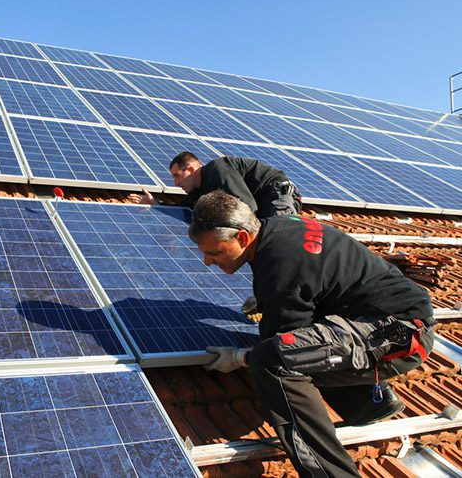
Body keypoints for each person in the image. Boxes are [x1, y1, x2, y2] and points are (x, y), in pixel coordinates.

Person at [188, 190, 435, 477]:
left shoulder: (281, 266)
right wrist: (270, 300)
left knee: (272, 362)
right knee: (303, 342)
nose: (207, 261)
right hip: (381, 318)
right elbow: (311, 280)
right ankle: (366, 403)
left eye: (213, 252)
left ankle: (332, 473)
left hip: (400, 333)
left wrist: (241, 357)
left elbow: (286, 343)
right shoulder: (276, 229)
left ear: (242, 238)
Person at [129, 151, 302, 219]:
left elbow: (247, 205)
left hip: (276, 192)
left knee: (279, 234)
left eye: (177, 176)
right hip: (261, 205)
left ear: (190, 169)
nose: (176, 183)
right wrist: (155, 204)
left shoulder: (217, 170)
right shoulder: (199, 192)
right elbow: (184, 211)